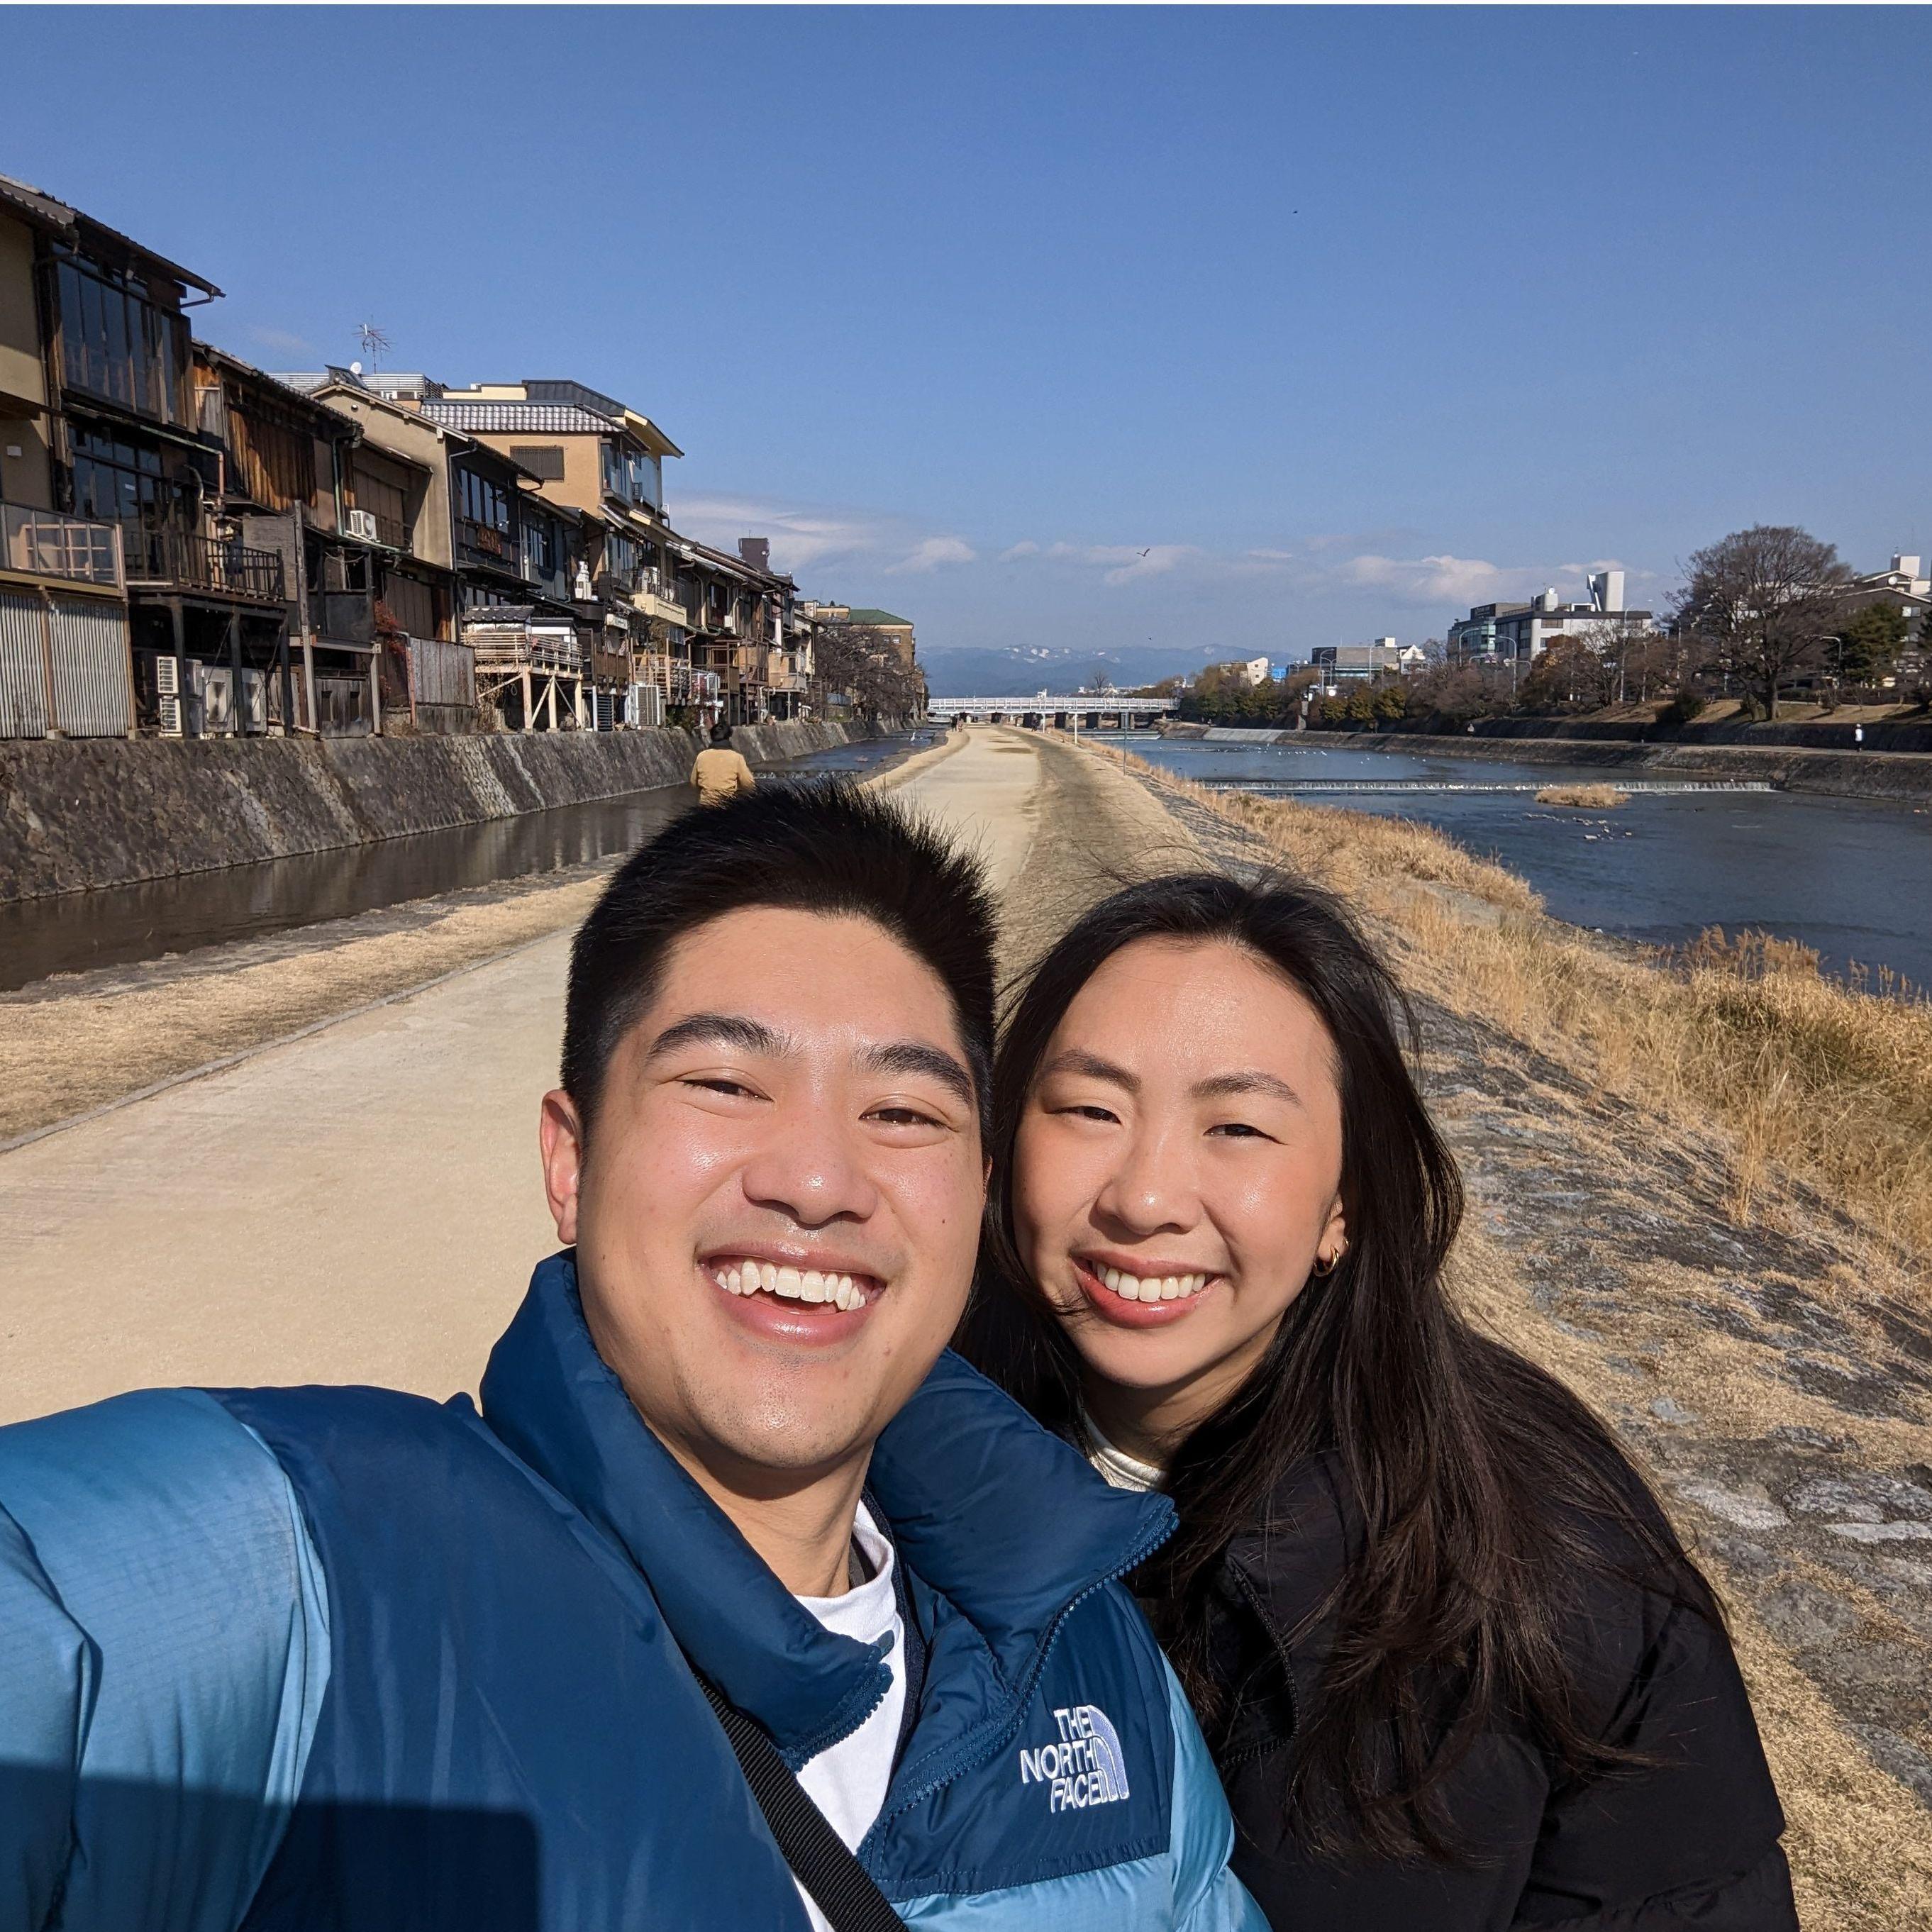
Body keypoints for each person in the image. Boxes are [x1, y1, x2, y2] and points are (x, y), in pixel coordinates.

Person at [0, 786, 1262, 1932]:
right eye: (723, 1082)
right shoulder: (307, 1573)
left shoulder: (1092, 1656)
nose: (818, 1179)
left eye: (900, 1110)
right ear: (571, 1160)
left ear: (977, 1192)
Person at [959, 871, 1798, 1932]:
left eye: (1238, 1128)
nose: (1145, 1198)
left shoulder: (1539, 1553)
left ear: (1342, 1205)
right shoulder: (888, 1455)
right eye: (1090, 1110)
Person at [692, 718, 757, 805]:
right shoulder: (736, 757)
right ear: (729, 738)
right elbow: (748, 783)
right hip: (727, 805)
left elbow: (694, 782)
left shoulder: (702, 756)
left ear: (712, 737)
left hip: (706, 805)